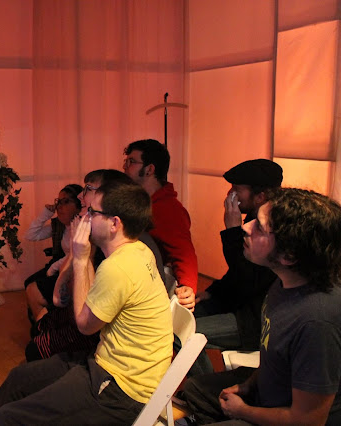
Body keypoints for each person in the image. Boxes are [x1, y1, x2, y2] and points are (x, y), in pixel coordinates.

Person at [0, 182, 173, 425]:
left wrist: (80, 258)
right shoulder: (138, 249)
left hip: (120, 389)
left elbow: (84, 325)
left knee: (8, 418)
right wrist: (84, 254)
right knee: (19, 378)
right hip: (108, 366)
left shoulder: (118, 267)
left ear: (114, 223)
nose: (85, 217)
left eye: (92, 212)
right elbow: (90, 300)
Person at [183, 188, 341, 425]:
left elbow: (307, 420)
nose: (247, 227)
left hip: (287, 417)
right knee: (195, 389)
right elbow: (274, 357)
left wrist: (243, 411)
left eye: (259, 227)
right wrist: (248, 385)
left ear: (288, 255)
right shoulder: (285, 280)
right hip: (266, 394)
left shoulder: (317, 322)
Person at [25, 170, 166, 362]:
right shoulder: (107, 240)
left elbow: (85, 321)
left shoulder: (120, 252)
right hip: (96, 323)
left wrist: (81, 257)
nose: (81, 196)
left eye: (89, 189)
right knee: (39, 327)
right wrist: (77, 252)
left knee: (35, 349)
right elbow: (61, 297)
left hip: (107, 344)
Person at [190, 159, 282, 376]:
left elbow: (249, 280)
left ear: (260, 196)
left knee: (184, 335)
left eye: (236, 190)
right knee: (182, 320)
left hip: (254, 319)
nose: (230, 195)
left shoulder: (274, 231)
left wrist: (233, 231)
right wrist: (212, 292)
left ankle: (208, 388)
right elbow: (237, 272)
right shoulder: (253, 217)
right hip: (237, 302)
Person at [123, 139, 198, 310]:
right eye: (126, 161)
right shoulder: (140, 202)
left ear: (149, 169)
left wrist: (187, 286)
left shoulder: (167, 209)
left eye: (131, 162)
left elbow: (184, 253)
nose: (125, 167)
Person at [24, 184, 82, 322]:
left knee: (36, 288)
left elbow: (75, 254)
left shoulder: (81, 226)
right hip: (59, 265)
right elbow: (31, 235)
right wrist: (45, 214)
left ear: (79, 205)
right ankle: (41, 324)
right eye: (58, 201)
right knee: (29, 282)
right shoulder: (59, 225)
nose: (59, 206)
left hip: (72, 269)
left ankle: (47, 325)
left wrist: (53, 268)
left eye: (65, 201)